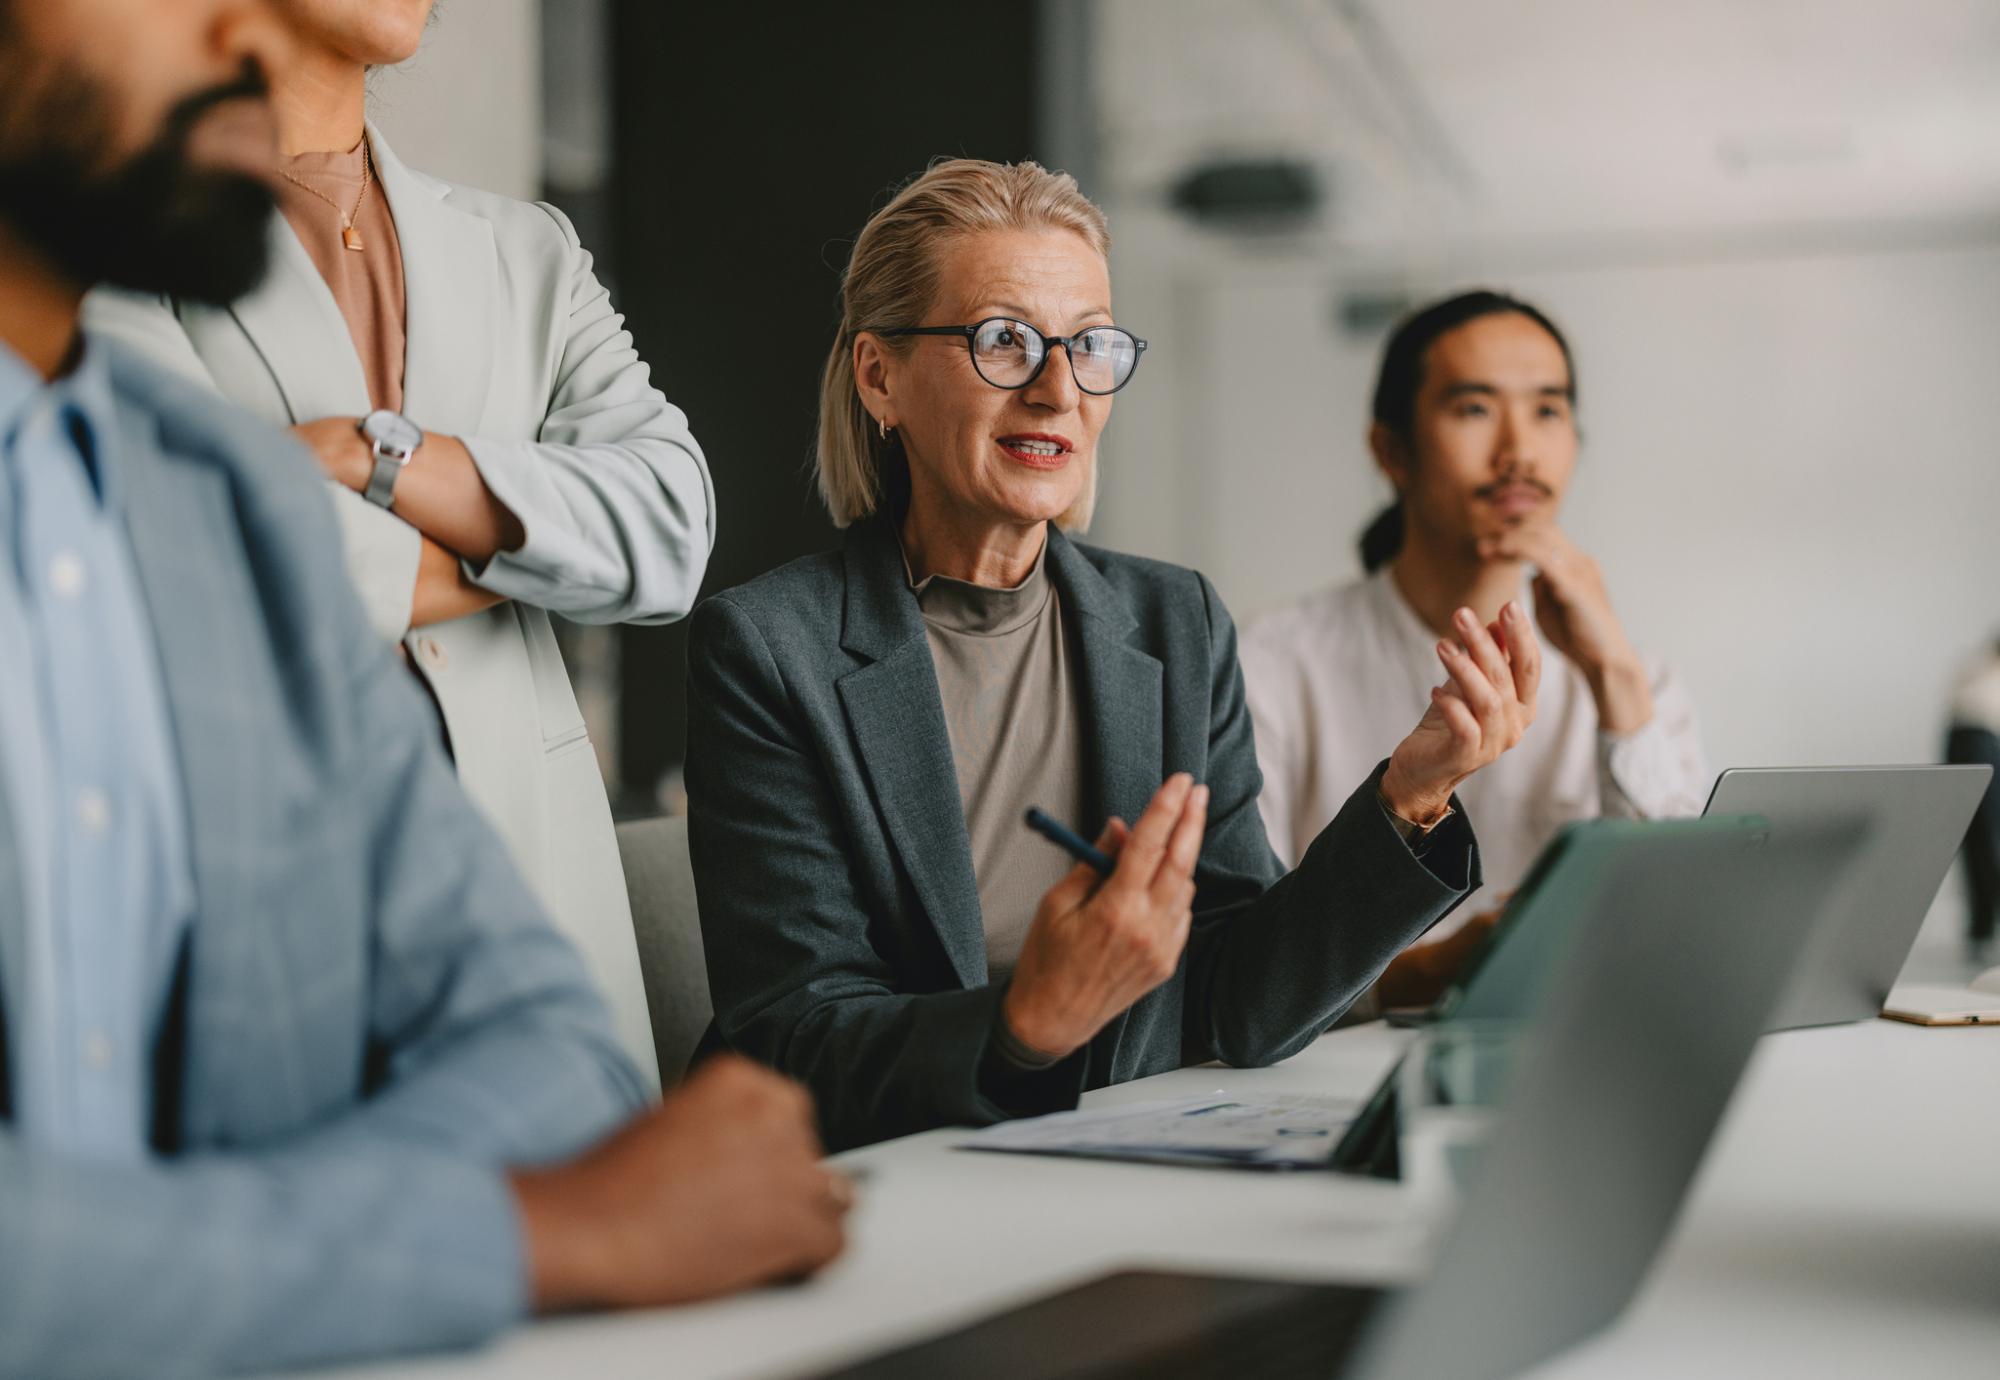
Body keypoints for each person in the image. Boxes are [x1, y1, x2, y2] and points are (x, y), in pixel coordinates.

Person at [0, 5, 840, 1377]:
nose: (244, 37)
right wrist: (535, 1229)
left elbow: (557, 1052)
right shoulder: (228, 500)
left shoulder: (192, 490)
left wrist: (380, 461)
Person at [685, 160, 1540, 1153]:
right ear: (881, 377)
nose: (1057, 390)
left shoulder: (1173, 620)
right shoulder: (768, 647)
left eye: (1088, 346)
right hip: (874, 1177)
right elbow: (795, 1039)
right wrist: (1025, 1026)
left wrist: (1409, 796)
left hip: (1111, 1150)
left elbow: (1240, 1000)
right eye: (1003, 341)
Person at [84, 0, 713, 1086]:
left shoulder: (530, 250)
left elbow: (669, 527)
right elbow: (220, 552)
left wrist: (381, 458)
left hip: (539, 913)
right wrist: (534, 555)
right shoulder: (108, 242)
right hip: (277, 921)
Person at [1238, 290, 1708, 1005]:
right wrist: (1431, 970)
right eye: (1475, 409)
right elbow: (1239, 964)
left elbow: (1684, 930)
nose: (1519, 452)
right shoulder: (1270, 665)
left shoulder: (1637, 681)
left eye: (1548, 410)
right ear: (1391, 450)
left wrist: (1613, 673)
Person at [1946, 638, 2000, 956]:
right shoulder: (1980, 669)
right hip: (1977, 742)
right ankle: (1982, 919)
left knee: (1980, 837)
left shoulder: (1973, 669)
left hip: (1966, 741)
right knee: (1981, 836)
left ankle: (1982, 920)